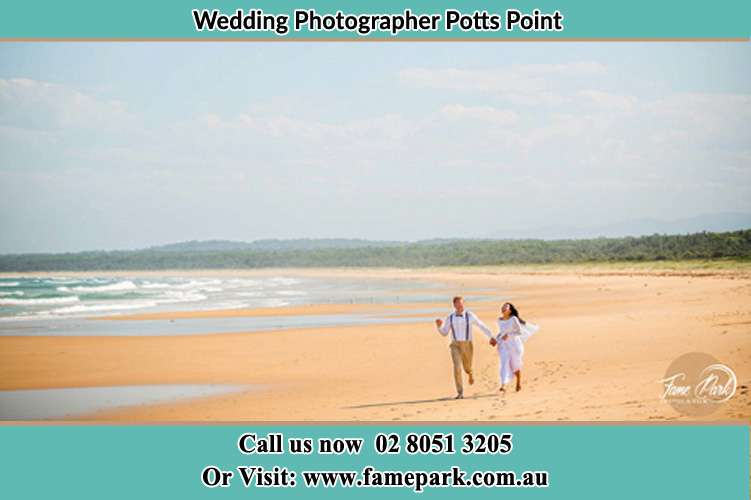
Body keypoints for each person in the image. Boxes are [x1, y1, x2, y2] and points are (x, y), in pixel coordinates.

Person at [435, 296, 493, 399]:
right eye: (457, 304)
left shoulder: (469, 315)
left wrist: (491, 336)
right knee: (457, 367)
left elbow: (481, 325)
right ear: (454, 305)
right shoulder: (450, 317)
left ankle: (470, 372)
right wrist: (439, 326)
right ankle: (460, 392)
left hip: (467, 344)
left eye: (461, 303)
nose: (460, 305)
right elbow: (444, 333)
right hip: (455, 345)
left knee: (467, 366)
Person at [490, 302, 539, 392]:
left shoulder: (513, 319)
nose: (504, 308)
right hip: (504, 345)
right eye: (503, 307)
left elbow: (519, 332)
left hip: (514, 345)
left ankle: (518, 382)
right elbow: (501, 333)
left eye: (506, 307)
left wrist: (509, 335)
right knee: (504, 363)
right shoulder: (499, 320)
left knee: (515, 365)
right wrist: (495, 340)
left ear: (510, 310)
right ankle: (503, 384)